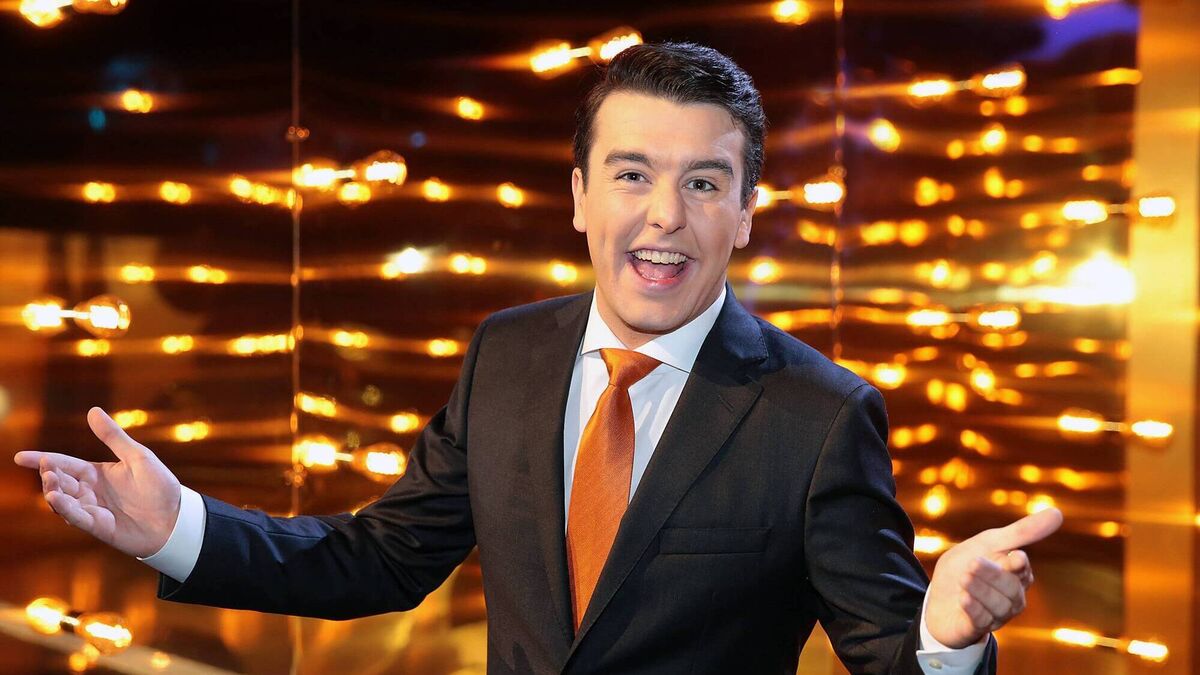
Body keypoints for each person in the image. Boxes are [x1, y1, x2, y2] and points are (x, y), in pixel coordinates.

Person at [14, 42, 1060, 674]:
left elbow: (891, 656)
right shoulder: (508, 354)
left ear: (746, 213)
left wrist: (946, 635)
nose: (665, 215)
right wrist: (181, 527)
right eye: (632, 174)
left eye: (704, 183)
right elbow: (381, 561)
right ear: (578, 197)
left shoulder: (820, 415)